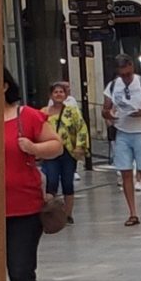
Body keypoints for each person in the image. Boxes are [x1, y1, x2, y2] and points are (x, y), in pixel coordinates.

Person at [4, 71, 63, 281]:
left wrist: (33, 147)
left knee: (21, 266)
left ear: (4, 86)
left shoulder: (26, 115)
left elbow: (56, 146)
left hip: (24, 207)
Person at [102, 55, 141, 226]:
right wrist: (109, 114)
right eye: (123, 75)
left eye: (128, 74)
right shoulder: (113, 86)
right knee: (126, 172)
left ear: (132, 67)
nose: (126, 78)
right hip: (123, 132)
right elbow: (105, 109)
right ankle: (132, 213)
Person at [43, 80, 88, 224]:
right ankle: (50, 212)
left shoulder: (72, 112)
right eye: (55, 92)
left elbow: (81, 128)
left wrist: (80, 146)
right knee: (51, 181)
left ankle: (67, 214)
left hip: (68, 152)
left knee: (68, 182)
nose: (58, 94)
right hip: (50, 151)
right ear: (51, 95)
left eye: (61, 92)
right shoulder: (43, 113)